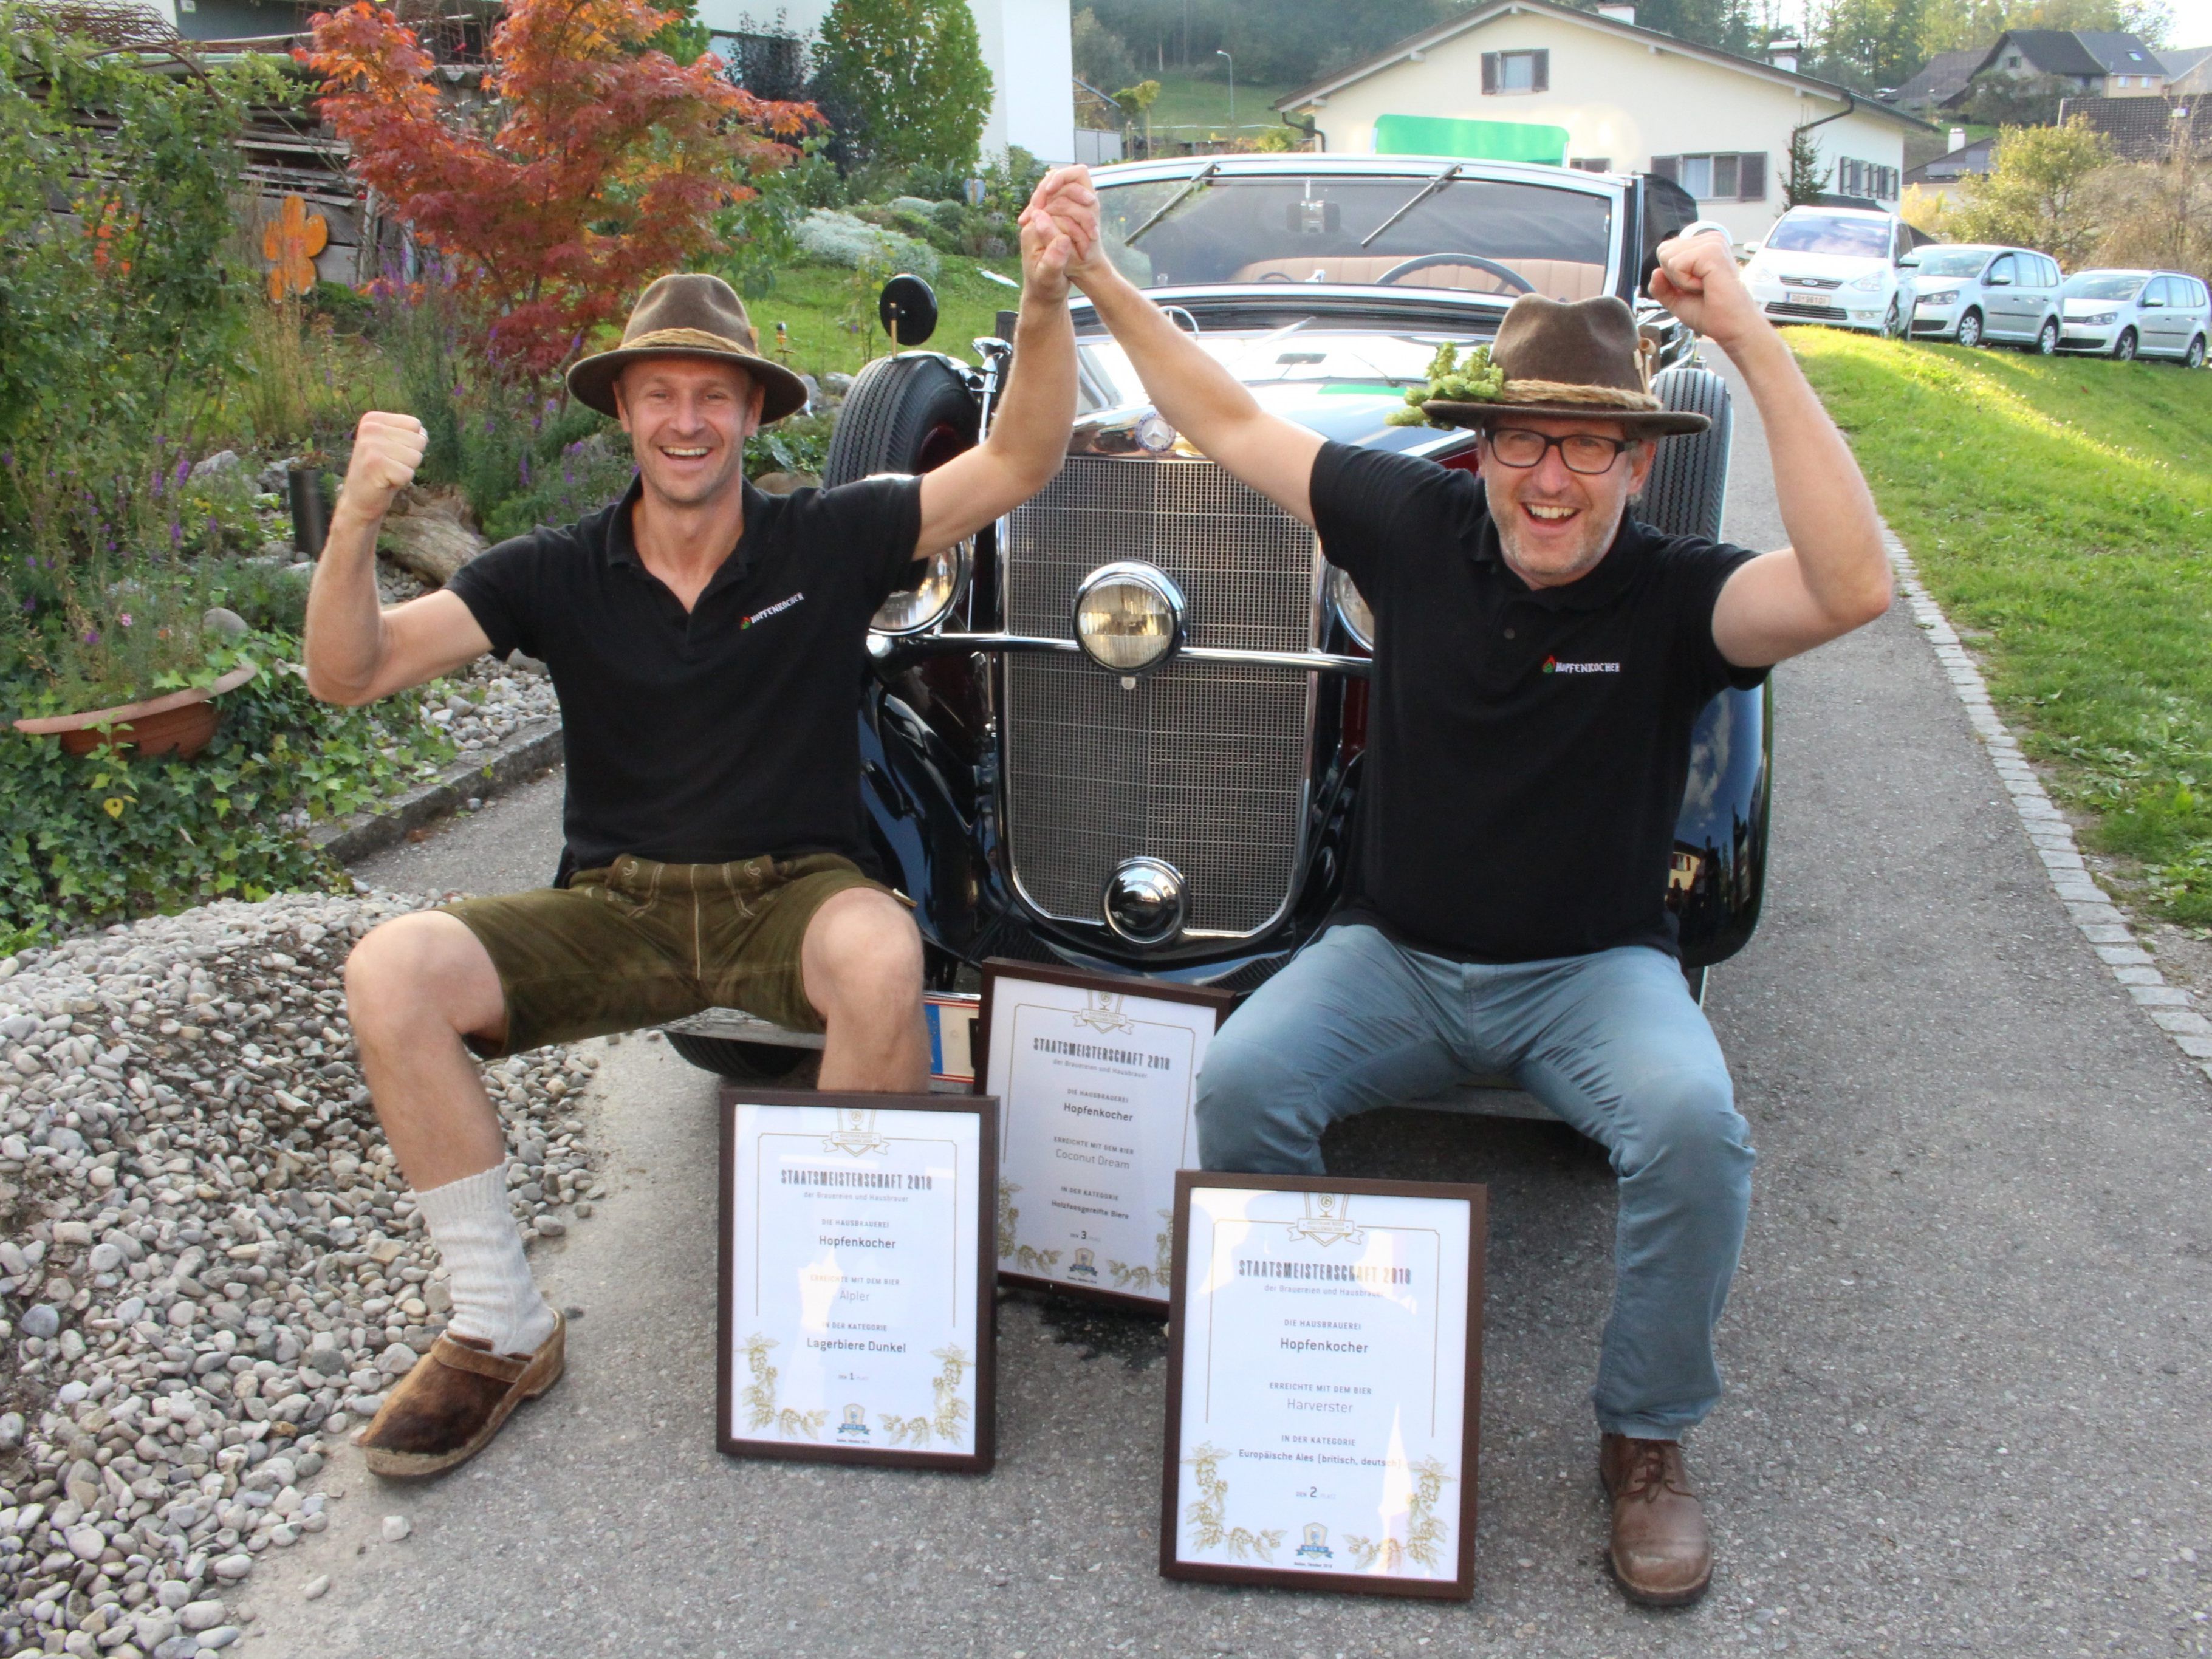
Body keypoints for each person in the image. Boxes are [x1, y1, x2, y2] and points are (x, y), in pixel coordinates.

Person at [1037, 180, 1891, 1606]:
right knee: (1243, 1080)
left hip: (1591, 973)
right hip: (1398, 958)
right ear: (1481, 449)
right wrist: (1101, 282)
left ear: (1635, 462)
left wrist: (1748, 333)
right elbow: (1233, 421)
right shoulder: (1415, 525)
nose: (1550, 479)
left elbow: (1854, 584)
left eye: (1590, 445)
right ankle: (1322, 1364)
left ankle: (1647, 1436)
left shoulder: (1681, 596)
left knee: (1693, 1125)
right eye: (1523, 441)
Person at [304, 171, 1100, 1479]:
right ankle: (499, 1325)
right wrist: (355, 521)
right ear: (623, 409)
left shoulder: (826, 539)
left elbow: (1019, 459)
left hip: (791, 890)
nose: (687, 419)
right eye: (660, 393)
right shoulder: (557, 570)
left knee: (883, 954)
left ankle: (849, 1315)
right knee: (390, 969)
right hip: (613, 906)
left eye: (712, 394)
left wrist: (1049, 294)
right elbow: (351, 671)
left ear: (751, 414)